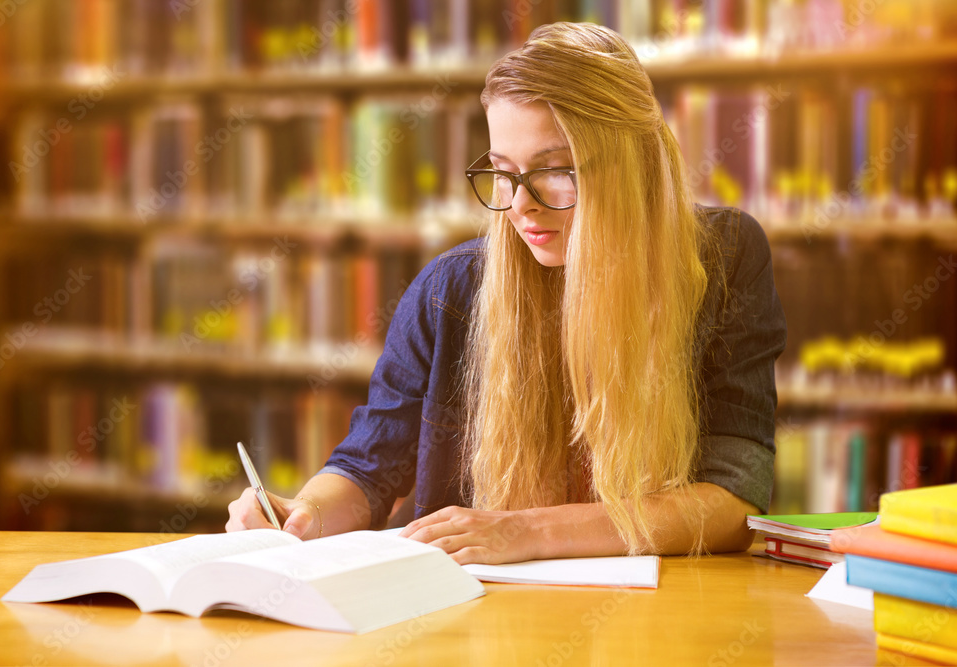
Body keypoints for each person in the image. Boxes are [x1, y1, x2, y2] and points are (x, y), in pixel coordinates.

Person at [227, 22, 787, 565]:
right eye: (502, 172)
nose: (520, 205)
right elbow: (367, 470)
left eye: (555, 171)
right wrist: (304, 517)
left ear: (634, 166)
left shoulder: (723, 257)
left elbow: (734, 502)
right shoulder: (450, 290)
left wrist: (526, 530)